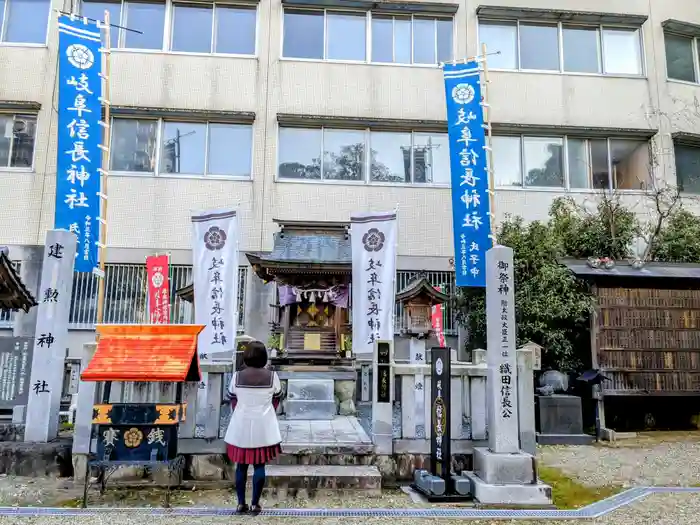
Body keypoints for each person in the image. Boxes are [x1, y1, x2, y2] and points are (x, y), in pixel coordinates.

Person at [224, 341, 283, 515]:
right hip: (263, 425)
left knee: (241, 466)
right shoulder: (272, 377)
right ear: (264, 357)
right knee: (259, 466)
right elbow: (277, 398)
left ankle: (240, 503)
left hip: (241, 423)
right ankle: (255, 504)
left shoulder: (237, 376)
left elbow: (232, 398)